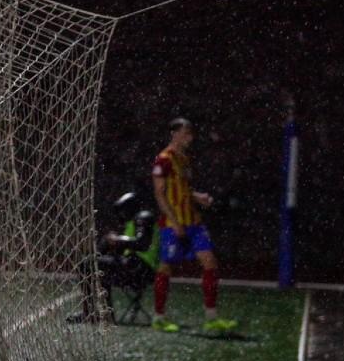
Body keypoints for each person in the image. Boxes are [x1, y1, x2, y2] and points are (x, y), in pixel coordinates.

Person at [150, 118, 238, 333]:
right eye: (186, 133)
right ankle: (159, 317)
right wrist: (175, 221)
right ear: (175, 133)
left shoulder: (184, 159)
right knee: (165, 267)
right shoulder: (163, 160)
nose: (190, 137)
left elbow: (182, 190)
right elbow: (159, 194)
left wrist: (197, 197)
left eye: (191, 133)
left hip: (194, 221)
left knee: (210, 262)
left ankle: (211, 318)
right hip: (173, 223)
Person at [68, 192, 158, 324]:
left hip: (141, 270)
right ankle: (102, 314)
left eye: (123, 211)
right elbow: (129, 246)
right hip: (133, 266)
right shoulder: (132, 223)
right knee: (98, 267)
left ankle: (93, 313)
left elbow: (142, 244)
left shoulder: (143, 217)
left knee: (88, 265)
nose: (121, 215)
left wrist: (117, 240)